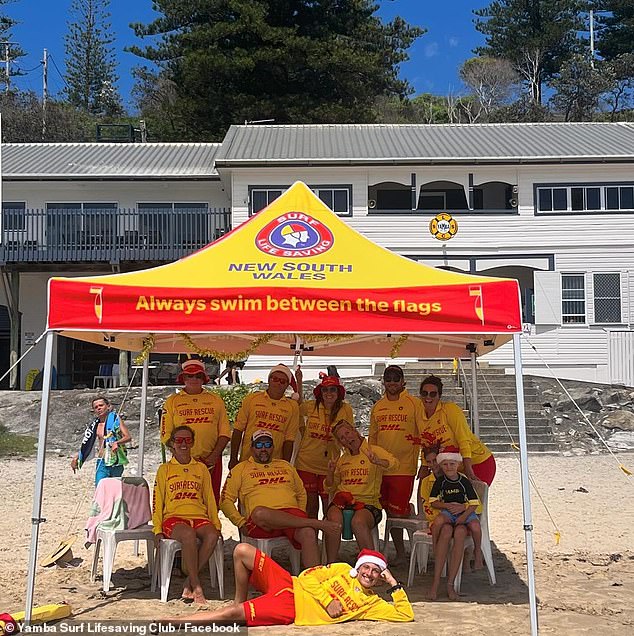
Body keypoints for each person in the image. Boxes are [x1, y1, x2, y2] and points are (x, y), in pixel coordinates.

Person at [168, 544, 413, 626]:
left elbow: (405, 615)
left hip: (291, 607)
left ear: (380, 577)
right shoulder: (341, 570)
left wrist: (392, 582)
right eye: (366, 568)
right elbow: (307, 576)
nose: (369, 574)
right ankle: (239, 599)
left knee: (234, 616)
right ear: (358, 567)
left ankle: (178, 623)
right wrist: (328, 601)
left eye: (375, 572)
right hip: (288, 582)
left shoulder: (372, 604)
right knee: (242, 550)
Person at [220, 430, 341, 568]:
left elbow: (301, 493)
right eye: (259, 445)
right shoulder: (241, 469)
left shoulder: (286, 466)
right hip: (263, 521)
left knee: (308, 533)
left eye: (267, 444)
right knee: (259, 512)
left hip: (292, 516)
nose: (264, 449)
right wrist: (240, 522)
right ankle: (316, 523)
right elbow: (225, 500)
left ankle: (314, 582)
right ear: (252, 448)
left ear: (273, 447)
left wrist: (298, 513)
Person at [152, 425, 221, 604]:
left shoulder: (201, 468)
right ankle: (197, 587)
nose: (183, 444)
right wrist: (157, 530)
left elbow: (210, 499)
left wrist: (217, 524)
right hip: (174, 518)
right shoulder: (164, 470)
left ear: (192, 443)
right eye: (179, 440)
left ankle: (188, 580)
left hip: (199, 516)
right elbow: (157, 501)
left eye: (188, 440)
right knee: (188, 535)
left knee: (212, 535)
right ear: (172, 444)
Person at [369, 364, 425, 562]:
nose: (392, 382)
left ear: (403, 382)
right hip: (381, 468)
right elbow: (372, 439)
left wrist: (425, 462)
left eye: (396, 379)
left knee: (397, 511)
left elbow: (424, 432)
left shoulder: (414, 404)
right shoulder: (378, 406)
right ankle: (400, 551)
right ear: (384, 381)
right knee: (386, 511)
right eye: (389, 378)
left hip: (404, 468)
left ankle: (402, 551)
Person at [324, 419, 398, 563]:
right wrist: (330, 473)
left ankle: (372, 566)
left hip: (368, 503)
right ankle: (330, 565)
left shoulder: (373, 450)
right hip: (343, 501)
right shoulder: (342, 459)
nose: (347, 438)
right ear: (341, 443)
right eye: (342, 438)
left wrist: (378, 462)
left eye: (347, 433)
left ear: (354, 431)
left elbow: (394, 463)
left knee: (358, 521)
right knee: (333, 521)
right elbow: (330, 487)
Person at [160, 358, 230, 503]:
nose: (194, 379)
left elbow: (224, 432)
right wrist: (182, 457)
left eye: (198, 376)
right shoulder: (172, 401)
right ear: (183, 378)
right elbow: (165, 434)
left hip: (212, 462)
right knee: (184, 501)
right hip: (182, 461)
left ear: (203, 378)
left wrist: (213, 457)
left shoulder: (215, 400)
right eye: (189, 376)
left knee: (210, 501)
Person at [294, 368, 353, 518]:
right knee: (310, 507)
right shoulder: (311, 406)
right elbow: (296, 406)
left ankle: (328, 541)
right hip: (306, 464)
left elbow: (350, 435)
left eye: (333, 389)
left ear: (338, 392)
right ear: (320, 392)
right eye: (325, 390)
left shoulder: (345, 409)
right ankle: (312, 540)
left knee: (330, 509)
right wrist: (299, 381)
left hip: (329, 466)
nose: (329, 393)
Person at [419, 375, 496, 485]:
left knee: (474, 501)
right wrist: (424, 465)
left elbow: (463, 440)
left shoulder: (450, 409)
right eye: (424, 393)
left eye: (433, 394)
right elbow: (425, 443)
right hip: (452, 467)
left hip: (477, 462)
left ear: (439, 396)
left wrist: (469, 470)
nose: (428, 397)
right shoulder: (419, 415)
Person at [428, 446, 483, 601]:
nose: (449, 467)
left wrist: (463, 514)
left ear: (458, 464)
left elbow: (473, 504)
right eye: (445, 464)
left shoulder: (463, 481)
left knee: (466, 530)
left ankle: (476, 555)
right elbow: (434, 502)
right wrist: (447, 506)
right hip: (449, 514)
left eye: (452, 464)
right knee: (441, 525)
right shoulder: (440, 481)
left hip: (464, 515)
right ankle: (436, 580)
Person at [229, 364, 300, 469]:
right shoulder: (252, 399)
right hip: (248, 461)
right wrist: (233, 458)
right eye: (275, 379)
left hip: (275, 464)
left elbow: (289, 439)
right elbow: (238, 429)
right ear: (269, 380)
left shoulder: (292, 406)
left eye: (282, 381)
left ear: (287, 385)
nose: (278, 383)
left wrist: (285, 466)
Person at [71, 396, 131, 486]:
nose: (99, 408)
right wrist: (78, 457)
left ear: (108, 406)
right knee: (100, 488)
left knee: (114, 491)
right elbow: (87, 443)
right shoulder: (95, 425)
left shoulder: (116, 420)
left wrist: (116, 443)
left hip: (115, 461)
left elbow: (128, 437)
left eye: (101, 405)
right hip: (102, 461)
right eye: (96, 407)